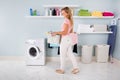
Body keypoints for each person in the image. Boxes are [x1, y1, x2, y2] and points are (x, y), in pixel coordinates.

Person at [51, 7, 79, 74]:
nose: (62, 13)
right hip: (69, 40)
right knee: (70, 54)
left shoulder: (66, 20)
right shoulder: (71, 20)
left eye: (63, 12)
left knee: (62, 55)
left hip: (65, 39)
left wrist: (56, 32)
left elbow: (65, 32)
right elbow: (70, 31)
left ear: (67, 13)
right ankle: (76, 68)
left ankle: (62, 69)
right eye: (61, 12)